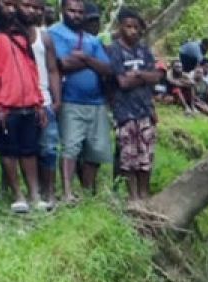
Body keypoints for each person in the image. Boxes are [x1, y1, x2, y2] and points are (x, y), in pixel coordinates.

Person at [49, 0, 111, 203]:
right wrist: (92, 62)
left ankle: (87, 193)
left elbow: (107, 69)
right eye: (71, 11)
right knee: (70, 147)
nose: (76, 15)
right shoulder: (55, 33)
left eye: (79, 12)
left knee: (95, 150)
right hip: (70, 100)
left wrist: (84, 58)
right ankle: (67, 192)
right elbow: (62, 63)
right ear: (62, 11)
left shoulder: (92, 40)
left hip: (97, 102)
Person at [0, 0, 45, 212]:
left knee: (29, 150)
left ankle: (34, 195)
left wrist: (38, 101)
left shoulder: (21, 32)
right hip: (5, 105)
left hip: (29, 103)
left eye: (14, 5)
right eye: (7, 4)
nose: (11, 9)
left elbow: (32, 69)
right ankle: (18, 195)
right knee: (9, 152)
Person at [106, 7, 158, 199]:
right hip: (124, 112)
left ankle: (144, 194)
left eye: (136, 27)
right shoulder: (114, 50)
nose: (133, 31)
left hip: (145, 110)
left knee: (146, 155)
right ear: (120, 27)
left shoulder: (144, 50)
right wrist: (144, 77)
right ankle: (133, 196)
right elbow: (122, 82)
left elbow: (156, 76)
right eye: (129, 27)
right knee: (128, 157)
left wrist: (138, 74)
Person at [27, 0, 60, 207]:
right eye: (30, 6)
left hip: (46, 101)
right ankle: (32, 192)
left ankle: (50, 193)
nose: (35, 11)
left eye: (39, 8)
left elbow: (53, 69)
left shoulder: (45, 37)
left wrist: (57, 99)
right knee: (26, 149)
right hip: (22, 101)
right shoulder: (10, 35)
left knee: (48, 148)